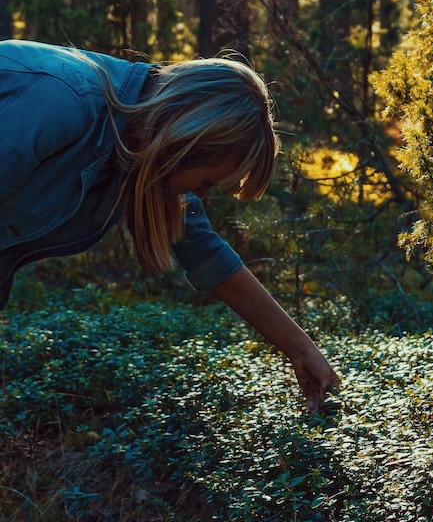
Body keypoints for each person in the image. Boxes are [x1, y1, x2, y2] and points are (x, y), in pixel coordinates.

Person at [0, 39, 340, 411]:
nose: (201, 196)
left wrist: (300, 349)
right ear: (185, 142)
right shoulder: (63, 102)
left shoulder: (139, 143)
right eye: (207, 182)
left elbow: (205, 252)